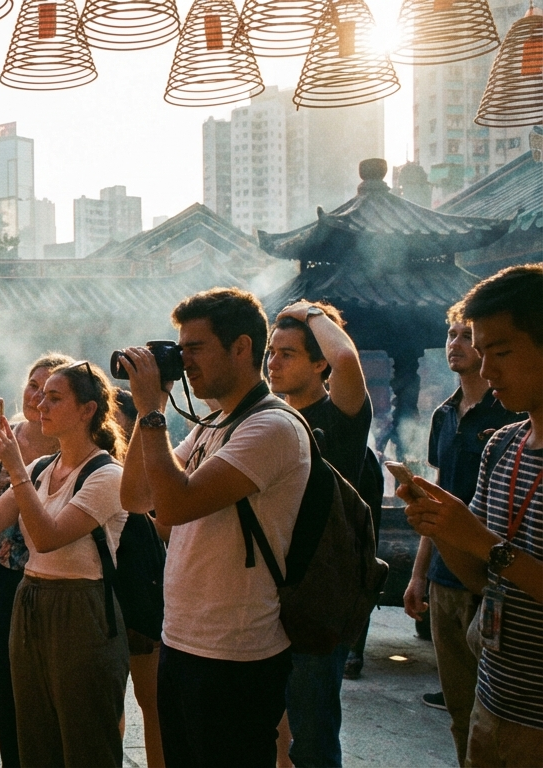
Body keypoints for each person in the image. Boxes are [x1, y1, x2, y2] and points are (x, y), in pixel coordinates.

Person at [119, 288, 311, 767]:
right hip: (183, 640)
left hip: (236, 655)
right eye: (180, 350)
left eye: (195, 348)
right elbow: (136, 497)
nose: (184, 363)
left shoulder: (272, 427)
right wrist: (155, 400)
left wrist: (150, 412)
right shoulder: (212, 424)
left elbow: (174, 506)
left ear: (241, 347)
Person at [398, 265, 543, 767]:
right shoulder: (502, 446)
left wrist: (480, 540)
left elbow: (490, 554)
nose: (487, 371)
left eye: (500, 353)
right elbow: (483, 580)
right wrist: (440, 529)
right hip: (493, 698)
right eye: (482, 356)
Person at [0, 361, 132, 767]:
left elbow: (46, 537)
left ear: (88, 410)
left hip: (82, 606)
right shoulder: (43, 468)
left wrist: (12, 468)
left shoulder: (107, 474)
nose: (41, 405)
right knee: (35, 735)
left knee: (85, 737)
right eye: (41, 395)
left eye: (55, 397)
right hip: (30, 599)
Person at [266, 300, 371, 767]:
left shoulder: (340, 415)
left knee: (311, 736)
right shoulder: (269, 418)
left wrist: (309, 312)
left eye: (287, 353)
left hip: (318, 588)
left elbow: (347, 360)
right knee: (270, 723)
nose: (274, 362)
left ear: (318, 363)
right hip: (269, 586)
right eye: (270, 352)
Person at [0, 354, 69, 768]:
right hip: (1, 575)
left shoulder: (77, 447)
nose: (38, 397)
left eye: (51, 391)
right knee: (7, 689)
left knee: (56, 696)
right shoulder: (3, 436)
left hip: (57, 578)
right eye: (33, 385)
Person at [113, 388, 166, 768]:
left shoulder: (152, 461)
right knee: (106, 703)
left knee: (153, 701)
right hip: (101, 587)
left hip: (139, 585)